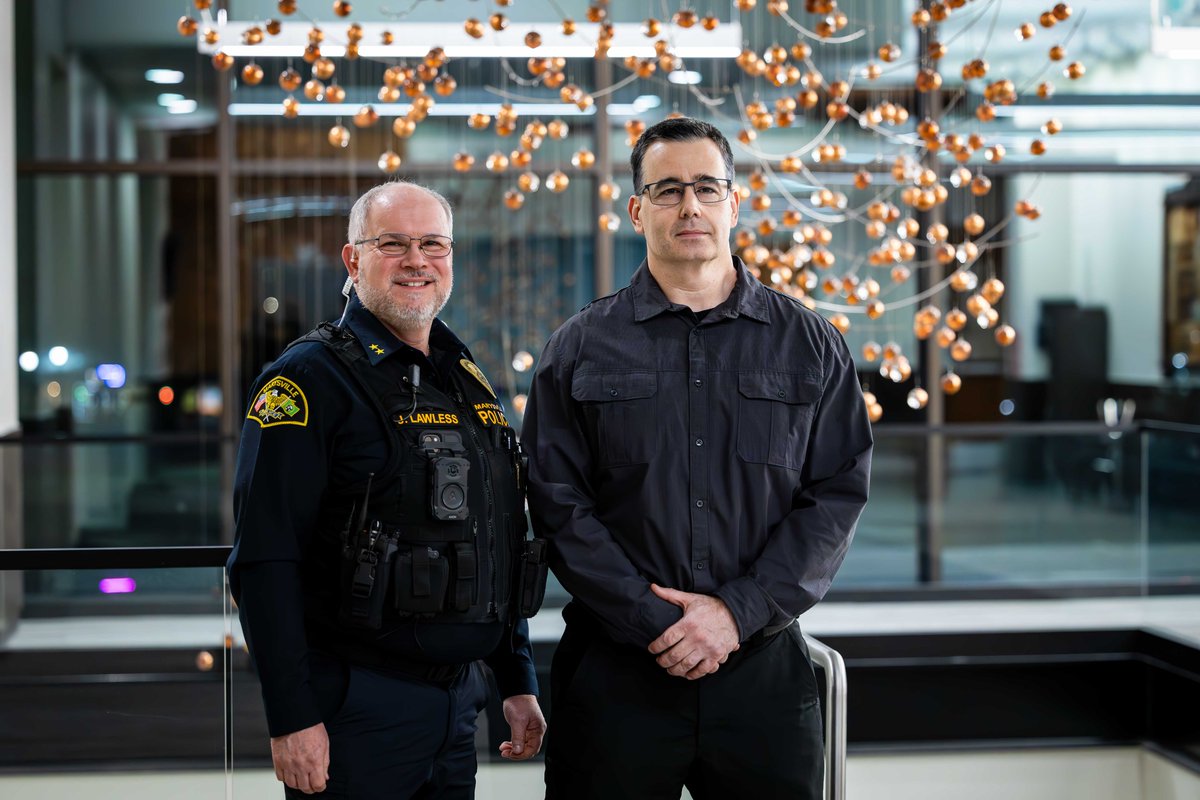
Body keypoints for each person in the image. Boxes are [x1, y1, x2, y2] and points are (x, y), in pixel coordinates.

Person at [521, 117, 872, 799]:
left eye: (708, 188)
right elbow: (557, 503)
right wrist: (660, 623)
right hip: (616, 674)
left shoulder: (810, 344)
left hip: (763, 677)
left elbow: (836, 496)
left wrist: (734, 615)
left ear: (734, 204)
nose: (690, 206)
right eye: (669, 189)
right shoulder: (579, 348)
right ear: (636, 208)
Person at [228, 181, 547, 799]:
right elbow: (264, 561)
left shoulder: (465, 379)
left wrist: (515, 677)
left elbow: (497, 537)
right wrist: (292, 716)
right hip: (354, 704)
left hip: (458, 704)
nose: (417, 261)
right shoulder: (307, 378)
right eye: (393, 244)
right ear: (353, 260)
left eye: (433, 244)